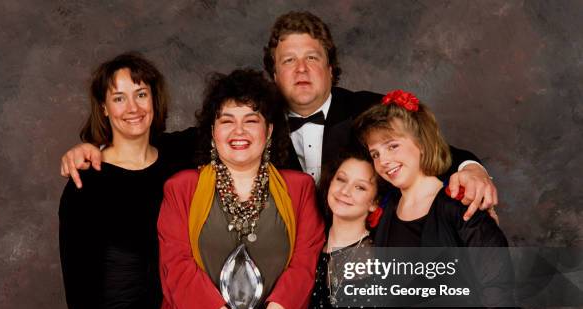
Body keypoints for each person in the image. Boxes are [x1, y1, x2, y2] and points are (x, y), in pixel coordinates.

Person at [59, 11, 497, 222]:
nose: (302, 70)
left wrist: (472, 168)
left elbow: (434, 149)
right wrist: (96, 148)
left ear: (331, 67)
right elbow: (171, 146)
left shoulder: (368, 111)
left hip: (366, 274)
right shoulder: (252, 122)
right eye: (289, 61)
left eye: (312, 58)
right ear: (274, 73)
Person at [355, 90, 559, 309]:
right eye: (375, 153)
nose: (384, 161)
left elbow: (499, 294)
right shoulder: (387, 216)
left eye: (392, 146)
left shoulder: (459, 204)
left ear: (421, 142)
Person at [150, 69, 325, 309]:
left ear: (270, 129)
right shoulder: (181, 189)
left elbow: (304, 268)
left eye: (251, 120)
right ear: (212, 132)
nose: (239, 131)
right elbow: (177, 269)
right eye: (227, 120)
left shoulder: (299, 189)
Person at [59, 53, 188, 309]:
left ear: (155, 100)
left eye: (141, 94)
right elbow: (78, 278)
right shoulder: (87, 182)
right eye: (119, 98)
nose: (132, 107)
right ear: (103, 108)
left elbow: (233, 123)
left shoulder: (180, 158)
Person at [305, 145, 406, 309]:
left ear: (374, 202)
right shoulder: (308, 249)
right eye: (341, 179)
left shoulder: (382, 253)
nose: (345, 191)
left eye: (360, 187)